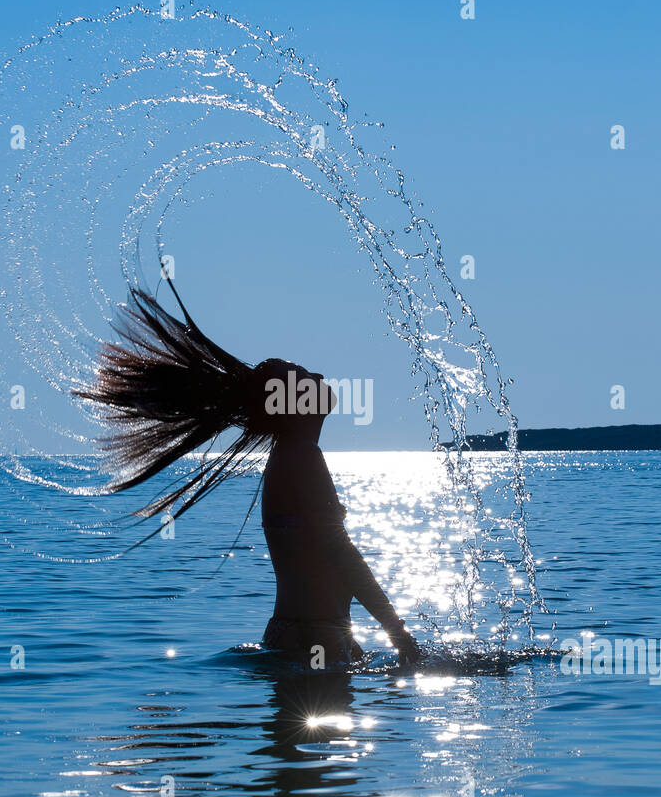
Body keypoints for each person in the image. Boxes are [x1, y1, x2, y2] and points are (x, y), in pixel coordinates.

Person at [75, 284, 420, 668]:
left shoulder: (292, 458)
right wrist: (396, 630)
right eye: (304, 374)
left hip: (307, 634)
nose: (318, 373)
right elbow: (341, 554)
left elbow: (321, 558)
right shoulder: (301, 458)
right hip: (312, 637)